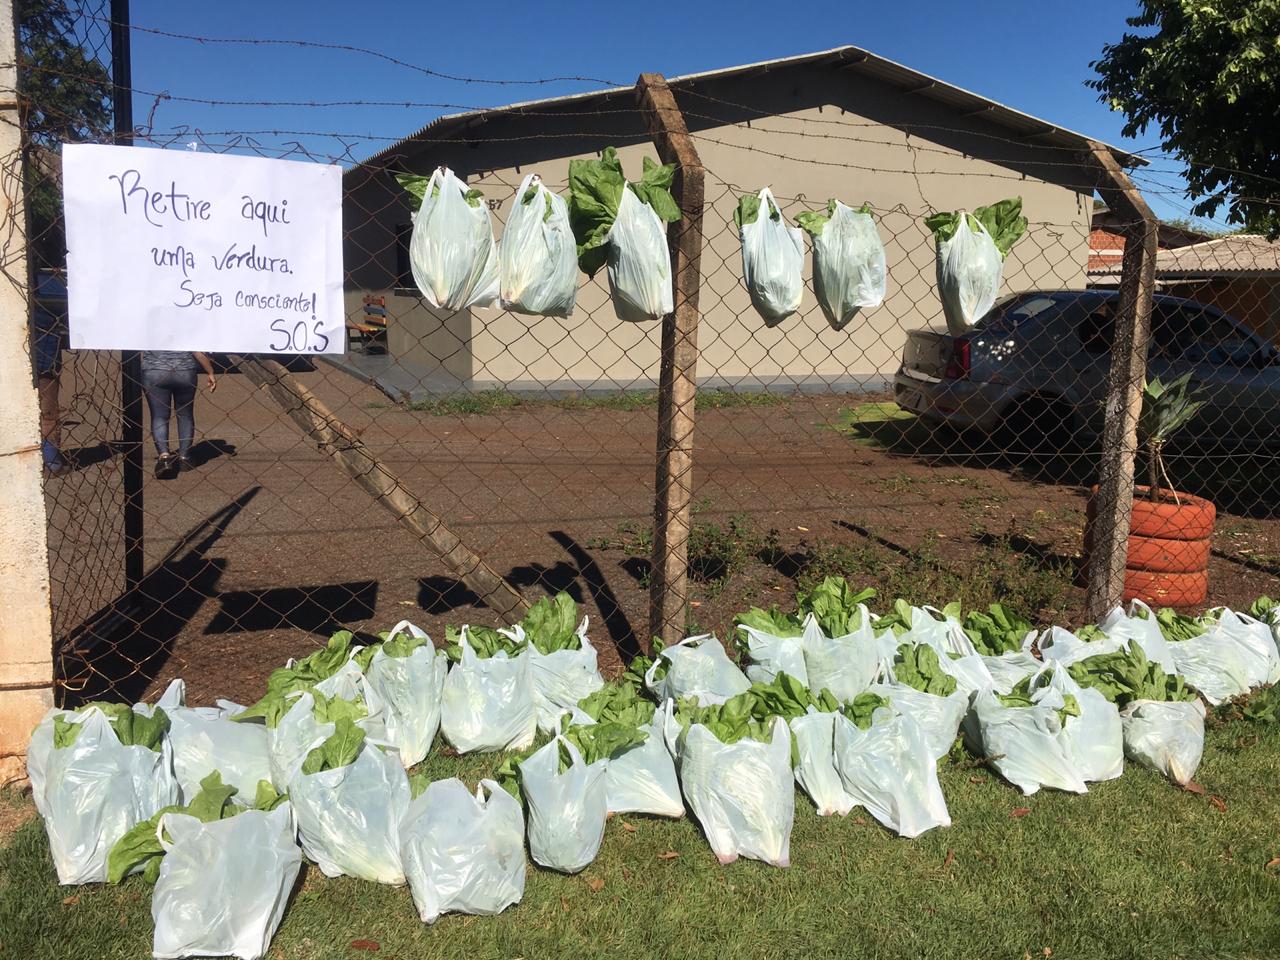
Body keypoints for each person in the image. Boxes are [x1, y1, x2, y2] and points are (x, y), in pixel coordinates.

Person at [141, 350, 216, 479]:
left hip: (153, 371)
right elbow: (197, 352)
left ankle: (164, 457)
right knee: (185, 413)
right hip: (185, 371)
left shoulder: (148, 329)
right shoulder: (186, 328)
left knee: (159, 415)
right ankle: (185, 457)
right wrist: (210, 372)